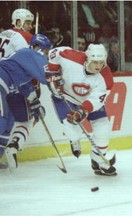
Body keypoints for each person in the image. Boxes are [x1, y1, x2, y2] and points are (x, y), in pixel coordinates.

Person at [45, 43, 117, 176]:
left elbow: (96, 100)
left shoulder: (106, 77)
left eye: (101, 62)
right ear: (88, 58)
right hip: (65, 96)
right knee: (74, 133)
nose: (98, 66)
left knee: (103, 128)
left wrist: (82, 111)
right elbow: (53, 53)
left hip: (87, 101)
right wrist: (53, 72)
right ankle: (74, 140)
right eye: (95, 62)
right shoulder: (71, 57)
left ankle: (98, 160)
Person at [0, 9, 49, 170]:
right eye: (27, 22)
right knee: (9, 119)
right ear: (18, 22)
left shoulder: (3, 33)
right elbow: (28, 65)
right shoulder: (26, 38)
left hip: (8, 81)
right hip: (14, 83)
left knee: (8, 119)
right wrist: (33, 91)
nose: (30, 26)